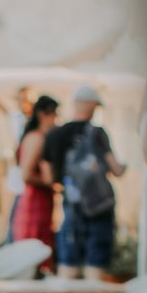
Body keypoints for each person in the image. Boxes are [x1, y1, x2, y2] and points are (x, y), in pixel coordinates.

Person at [45, 83, 127, 279]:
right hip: (99, 207)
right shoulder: (98, 133)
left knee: (68, 265)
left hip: (71, 206)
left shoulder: (56, 134)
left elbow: (50, 178)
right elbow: (116, 169)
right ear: (90, 105)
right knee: (95, 265)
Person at [0, 80, 37, 241]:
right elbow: (3, 105)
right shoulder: (17, 118)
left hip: (33, 174)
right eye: (22, 99)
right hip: (20, 172)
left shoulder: (39, 123)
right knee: (15, 210)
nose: (25, 103)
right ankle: (11, 241)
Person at [12, 94, 59, 268]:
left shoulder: (39, 137)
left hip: (41, 199)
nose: (55, 119)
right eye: (53, 114)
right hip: (35, 200)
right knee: (34, 246)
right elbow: (26, 174)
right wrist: (48, 182)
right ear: (42, 115)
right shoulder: (36, 138)